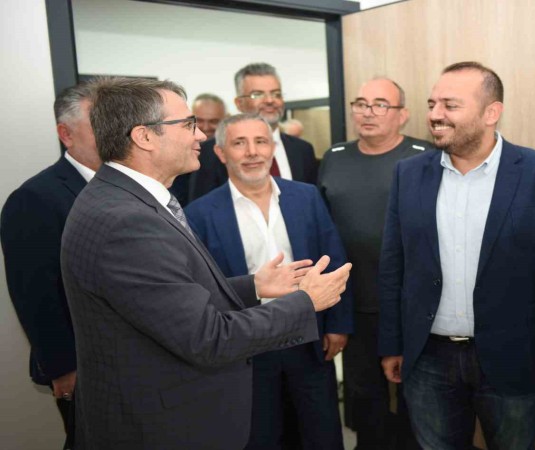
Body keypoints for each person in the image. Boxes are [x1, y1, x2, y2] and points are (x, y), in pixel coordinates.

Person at [60, 77, 351, 449]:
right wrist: (306, 302)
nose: (199, 135)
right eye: (187, 124)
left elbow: (168, 300)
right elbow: (208, 337)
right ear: (144, 137)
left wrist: (253, 286)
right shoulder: (127, 221)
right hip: (159, 426)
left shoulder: (125, 200)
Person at [378, 62, 535, 450]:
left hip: (513, 358)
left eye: (450, 105)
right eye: (432, 104)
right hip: (428, 358)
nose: (435, 114)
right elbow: (393, 265)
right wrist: (392, 343)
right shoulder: (408, 174)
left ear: (492, 113)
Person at [185, 114, 352, 450]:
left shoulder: (306, 196)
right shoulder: (199, 214)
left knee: (320, 433)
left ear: (272, 148)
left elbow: (333, 259)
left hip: (308, 337)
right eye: (239, 143)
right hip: (247, 345)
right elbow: (202, 288)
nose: (252, 152)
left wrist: (337, 324)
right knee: (261, 435)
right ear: (220, 153)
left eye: (261, 142)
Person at [319, 77, 428, 450]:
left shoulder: (424, 156)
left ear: (402, 114)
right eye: (361, 104)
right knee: (365, 400)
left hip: (411, 304)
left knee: (417, 401)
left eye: (381, 104)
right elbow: (322, 229)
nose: (368, 112)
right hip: (354, 302)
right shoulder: (334, 157)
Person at [1, 82, 100, 450]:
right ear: (66, 134)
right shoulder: (35, 198)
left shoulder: (129, 185)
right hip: (82, 367)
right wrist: (63, 367)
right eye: (98, 122)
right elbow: (34, 292)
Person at [188, 63, 319, 203]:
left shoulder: (302, 150)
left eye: (276, 94)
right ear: (239, 103)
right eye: (257, 94)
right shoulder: (209, 153)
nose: (270, 100)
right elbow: (200, 208)